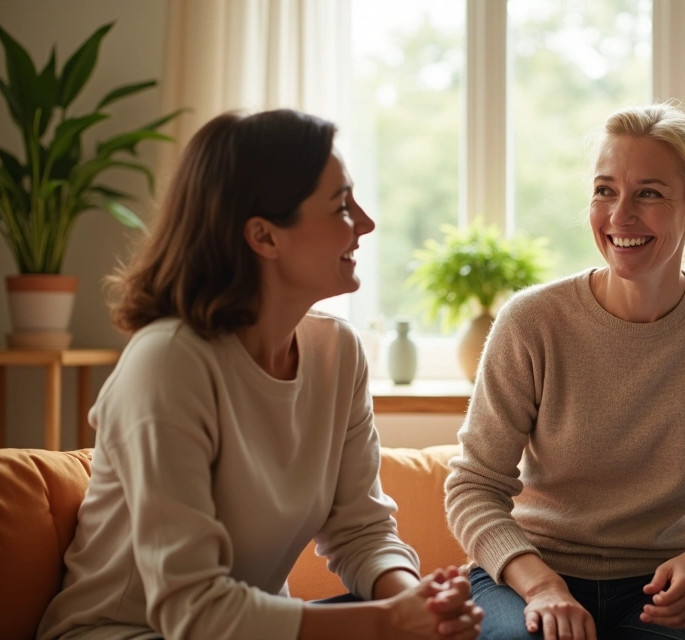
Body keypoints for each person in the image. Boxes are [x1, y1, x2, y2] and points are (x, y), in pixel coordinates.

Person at [37, 109, 483, 640]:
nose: (365, 223)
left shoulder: (337, 353)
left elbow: (360, 529)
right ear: (264, 236)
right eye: (341, 205)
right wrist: (385, 623)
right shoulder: (168, 364)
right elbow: (193, 611)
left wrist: (414, 602)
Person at [444, 103, 685, 640]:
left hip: (666, 580)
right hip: (530, 572)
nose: (620, 216)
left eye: (649, 193)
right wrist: (539, 584)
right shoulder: (532, 321)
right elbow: (472, 486)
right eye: (605, 190)